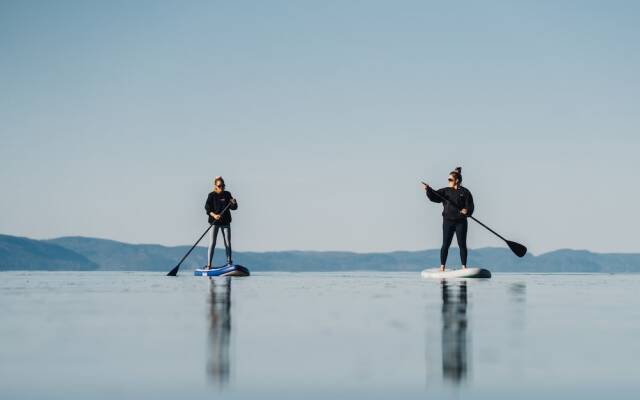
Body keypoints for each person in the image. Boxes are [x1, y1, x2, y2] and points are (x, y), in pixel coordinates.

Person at [422, 167, 474, 271]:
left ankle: (464, 267)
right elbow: (434, 197)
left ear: (457, 180)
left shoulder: (465, 192)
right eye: (448, 179)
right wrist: (428, 190)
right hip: (448, 222)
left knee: (462, 244)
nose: (448, 181)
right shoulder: (445, 191)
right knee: (445, 244)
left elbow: (471, 206)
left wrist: (467, 211)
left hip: (461, 222)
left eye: (450, 180)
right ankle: (442, 266)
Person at [204, 176, 238, 269]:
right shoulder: (211, 195)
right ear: (215, 186)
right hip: (214, 222)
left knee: (227, 242)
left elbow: (234, 207)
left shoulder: (227, 194)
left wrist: (234, 203)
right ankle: (209, 265)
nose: (221, 188)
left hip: (225, 222)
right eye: (219, 186)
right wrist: (214, 215)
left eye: (223, 186)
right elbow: (207, 208)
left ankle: (229, 262)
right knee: (212, 243)